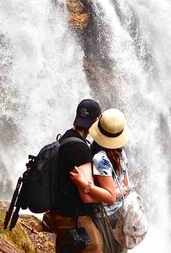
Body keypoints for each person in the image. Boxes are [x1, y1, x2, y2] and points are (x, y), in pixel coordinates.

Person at [69, 108, 130, 253]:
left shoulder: (100, 159)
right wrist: (117, 191)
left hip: (106, 216)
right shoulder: (120, 152)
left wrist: (85, 184)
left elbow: (109, 197)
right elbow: (125, 185)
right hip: (122, 210)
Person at [49, 98, 103, 253]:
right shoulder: (81, 150)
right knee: (95, 248)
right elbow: (87, 196)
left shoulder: (65, 137)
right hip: (74, 220)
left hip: (59, 214)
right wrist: (111, 195)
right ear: (96, 120)